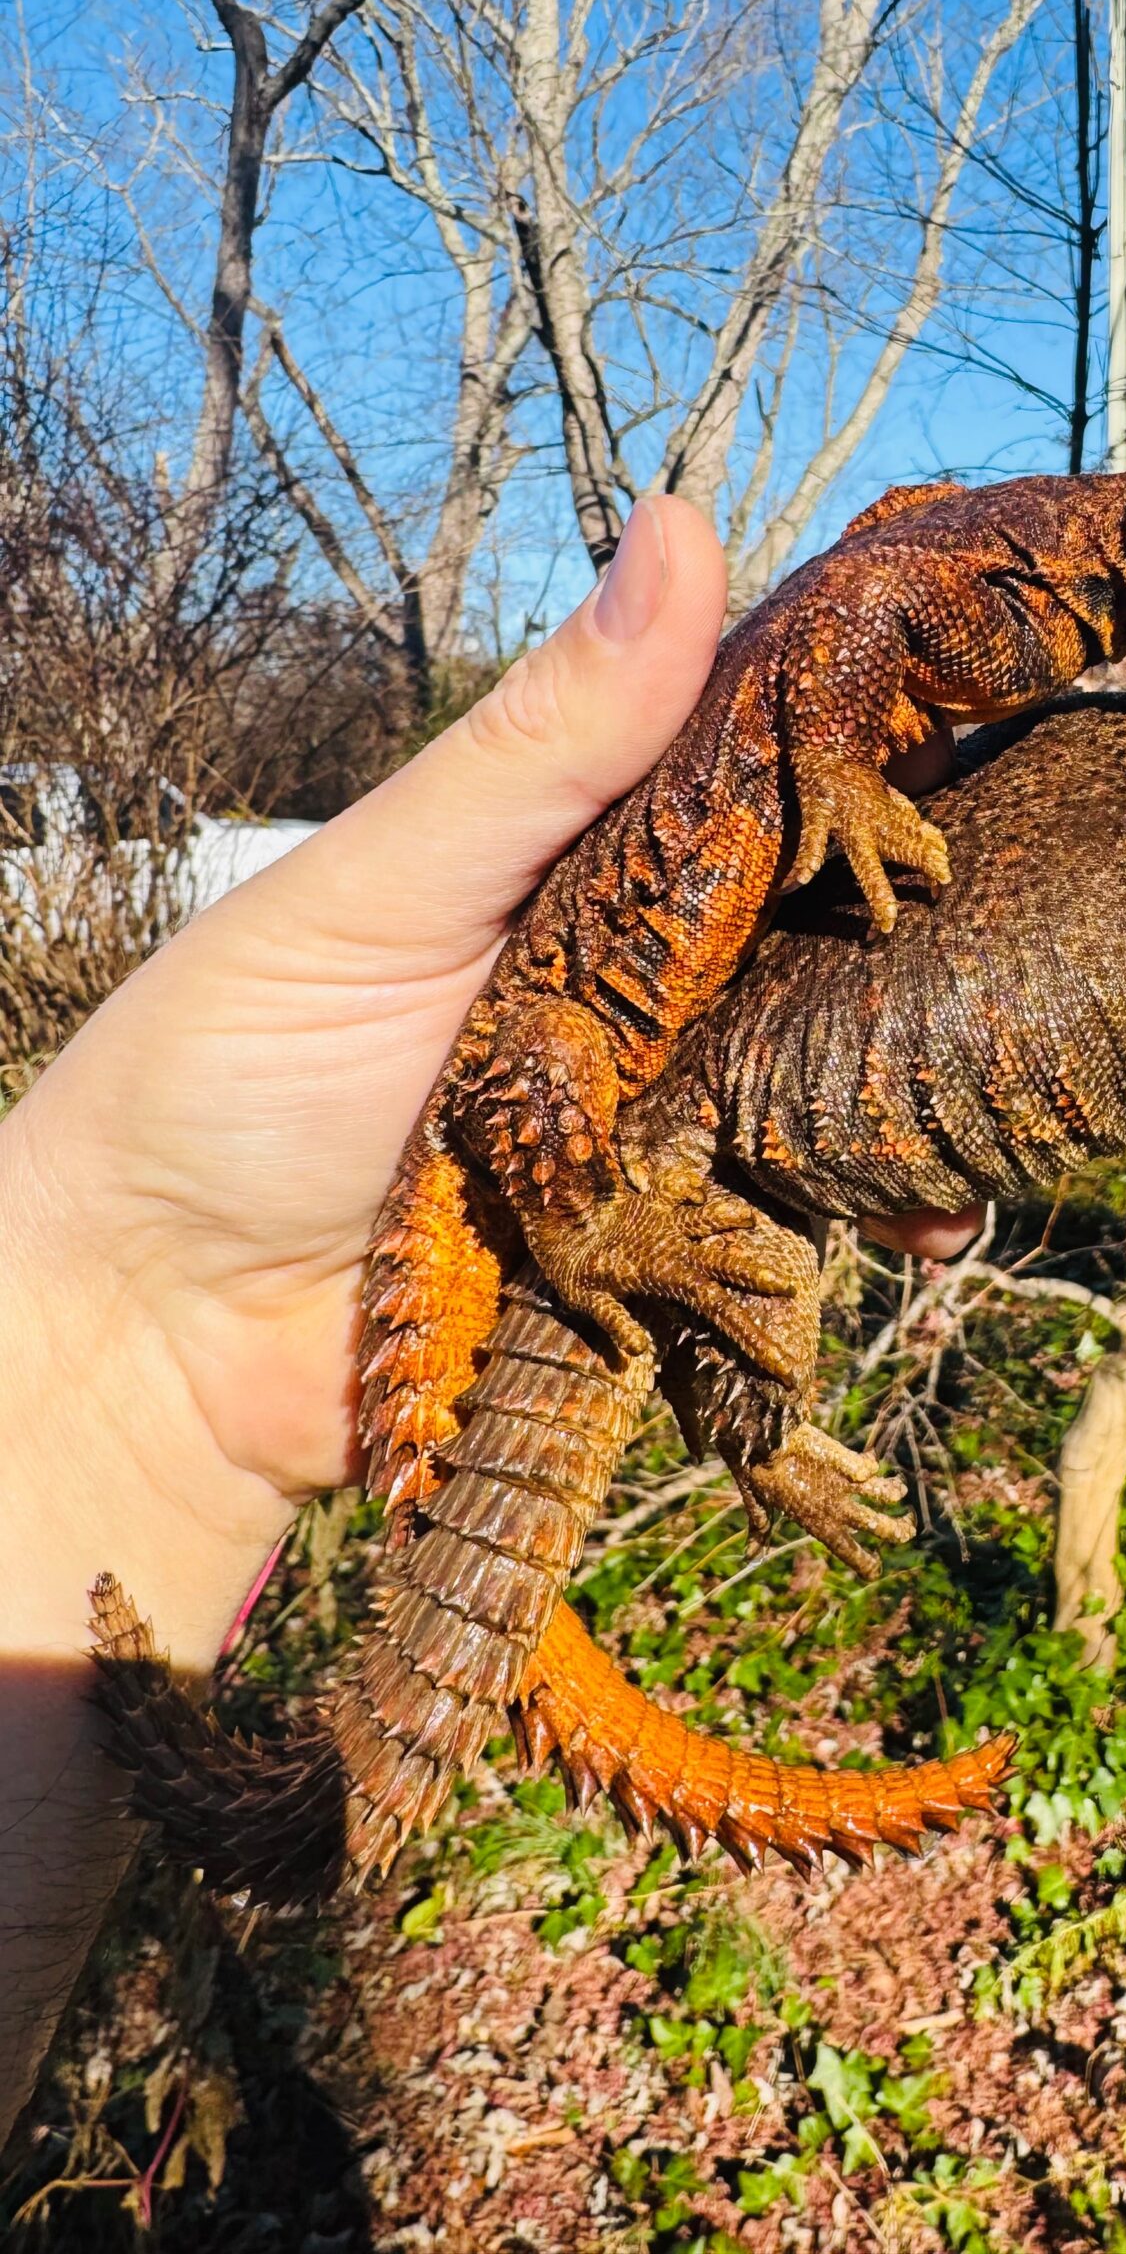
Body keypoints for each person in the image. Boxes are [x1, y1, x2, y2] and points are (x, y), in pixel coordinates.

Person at [0, 498, 980, 2139]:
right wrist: (133, 1304)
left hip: (627, 1115)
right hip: (558, 1117)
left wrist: (142, 1350)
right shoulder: (893, 621)